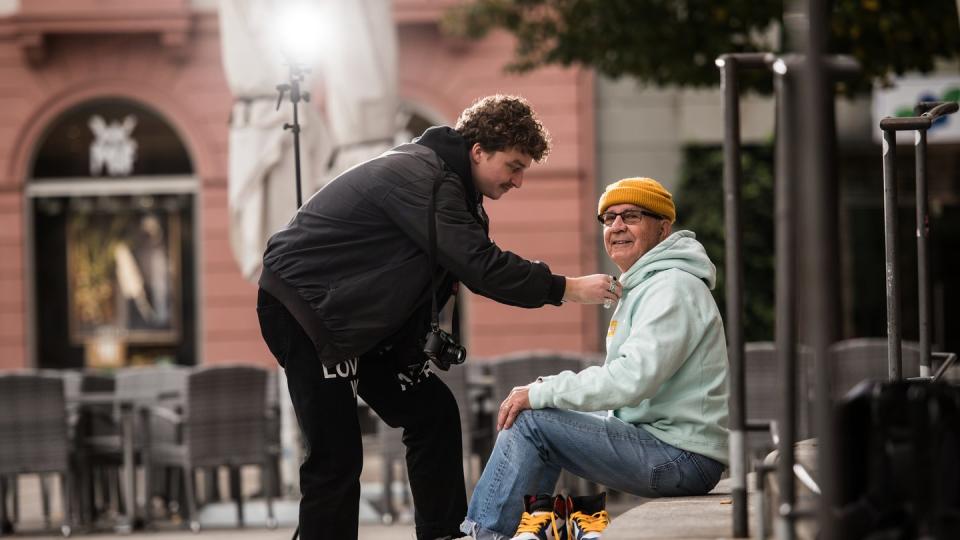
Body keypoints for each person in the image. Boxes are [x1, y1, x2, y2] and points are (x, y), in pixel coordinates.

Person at [256, 95, 620, 540]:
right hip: (307, 310)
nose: (519, 180)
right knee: (336, 457)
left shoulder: (453, 188)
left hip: (356, 322)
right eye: (513, 166)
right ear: (478, 151)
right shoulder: (425, 178)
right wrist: (565, 288)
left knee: (433, 413)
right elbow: (480, 266)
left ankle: (444, 535)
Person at [460, 177, 730, 540]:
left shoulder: (672, 287)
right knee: (540, 422)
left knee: (532, 422)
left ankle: (484, 535)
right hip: (667, 447)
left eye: (631, 216)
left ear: (663, 228)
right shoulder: (647, 285)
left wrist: (542, 391)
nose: (616, 226)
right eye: (608, 218)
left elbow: (631, 380)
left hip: (680, 457)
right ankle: (529, 529)